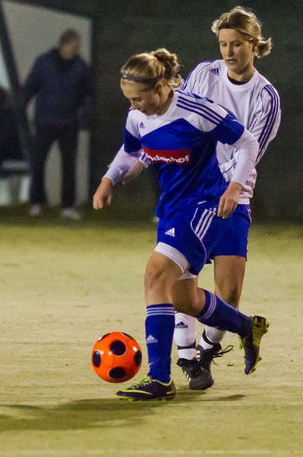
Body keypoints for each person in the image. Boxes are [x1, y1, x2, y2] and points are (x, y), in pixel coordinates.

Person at [92, 48, 269, 401]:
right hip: (172, 209)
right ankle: (246, 327)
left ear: (160, 87)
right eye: (128, 99)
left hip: (205, 205)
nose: (134, 106)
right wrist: (109, 178)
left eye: (139, 98)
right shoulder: (137, 117)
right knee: (182, 299)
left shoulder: (196, 111)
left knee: (155, 275)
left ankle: (160, 379)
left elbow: (247, 142)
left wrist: (235, 186)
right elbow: (130, 149)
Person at [171, 6, 282, 391]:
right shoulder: (205, 74)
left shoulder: (266, 97)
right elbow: (180, 116)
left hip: (235, 193)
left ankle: (205, 350)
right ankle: (187, 358)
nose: (229, 52)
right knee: (183, 277)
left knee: (229, 290)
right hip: (194, 191)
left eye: (237, 44)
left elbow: (250, 152)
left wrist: (229, 187)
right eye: (223, 44)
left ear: (254, 44)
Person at [22, 29, 93, 220]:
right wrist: (21, 104)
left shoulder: (80, 66)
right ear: (65, 44)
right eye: (74, 45)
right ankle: (36, 202)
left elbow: (87, 93)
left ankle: (67, 206)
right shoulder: (45, 62)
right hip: (45, 121)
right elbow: (31, 86)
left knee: (69, 166)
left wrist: (83, 113)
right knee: (38, 162)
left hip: (68, 122)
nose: (76, 49)